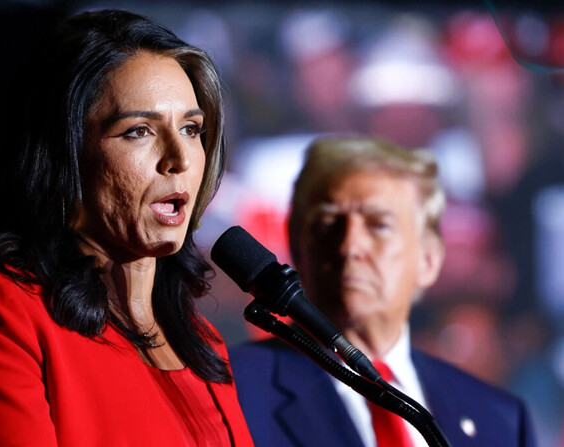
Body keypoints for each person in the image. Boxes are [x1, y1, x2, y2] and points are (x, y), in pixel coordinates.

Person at [0, 9, 254, 447]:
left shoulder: (202, 342)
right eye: (139, 131)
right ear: (65, 154)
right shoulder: (0, 312)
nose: (180, 158)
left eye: (192, 129)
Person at [229, 136, 535, 447]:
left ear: (428, 259)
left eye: (378, 225)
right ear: (297, 248)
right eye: (328, 222)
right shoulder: (231, 391)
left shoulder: (501, 420)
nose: (351, 246)